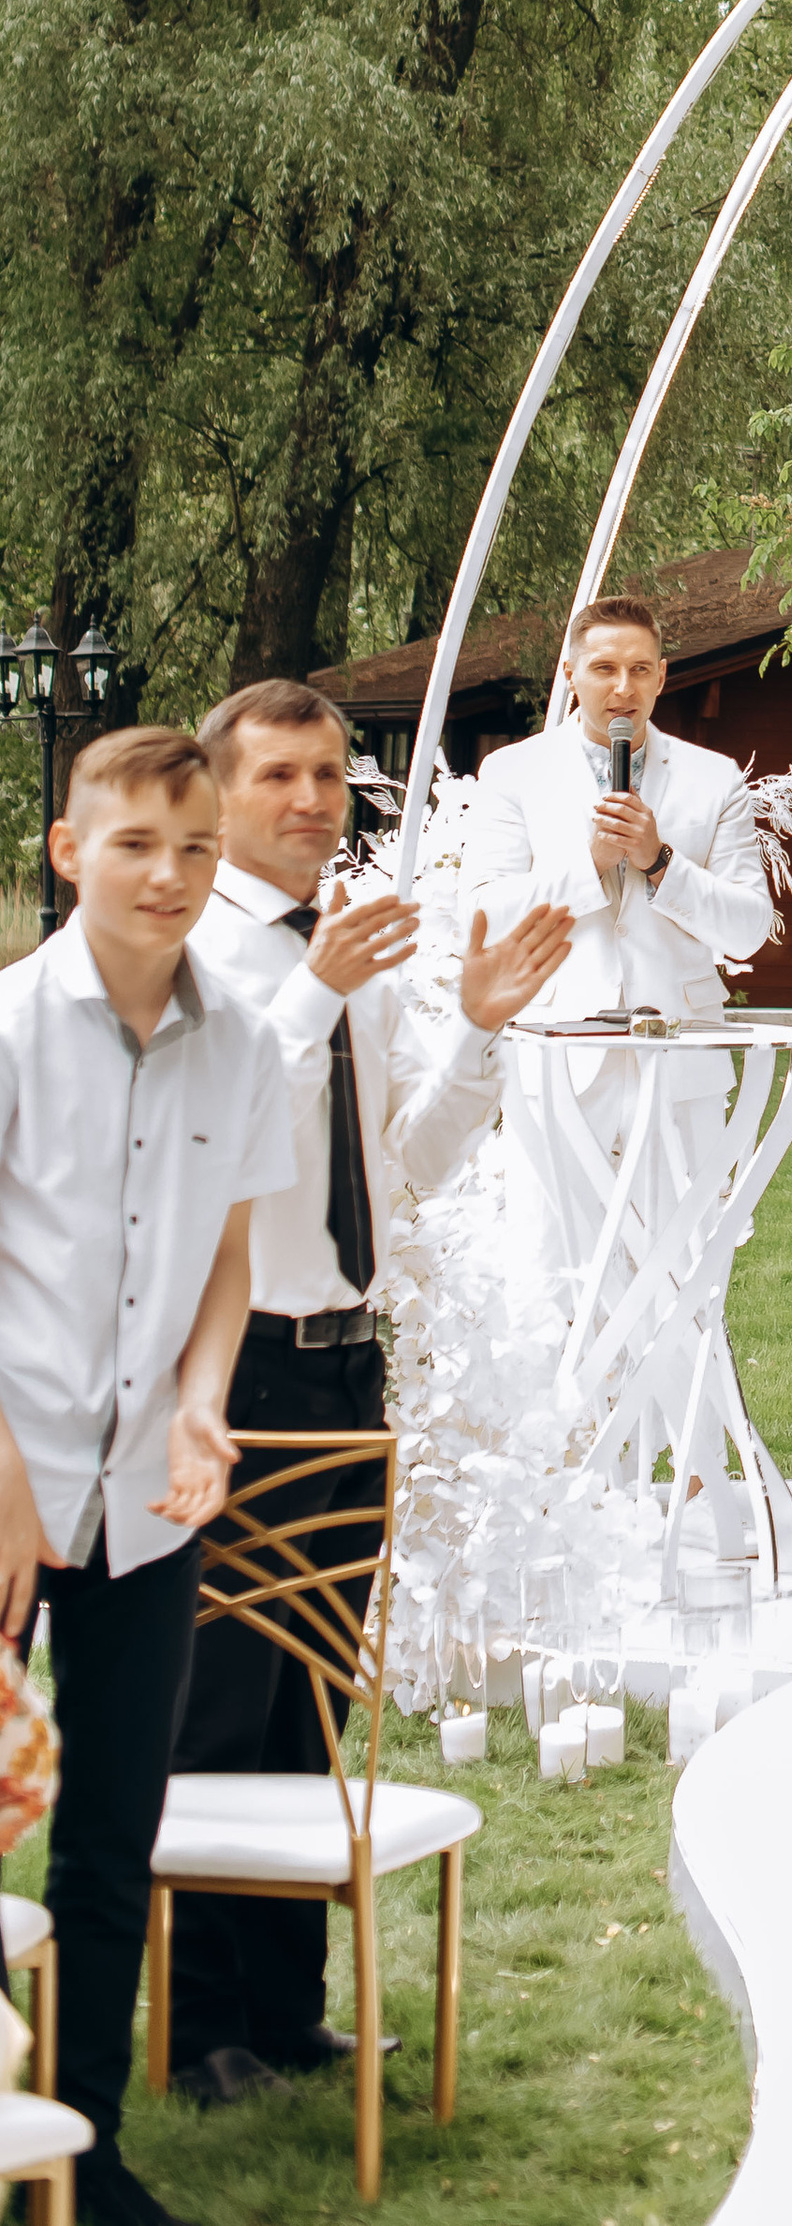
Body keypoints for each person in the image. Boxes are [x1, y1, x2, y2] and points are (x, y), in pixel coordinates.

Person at [162, 679, 573, 2110]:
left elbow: (406, 1165)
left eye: (331, 771)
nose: (314, 798)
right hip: (236, 1368)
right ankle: (195, 2024)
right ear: (214, 795)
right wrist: (319, 987)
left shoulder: (361, 954)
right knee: (215, 1706)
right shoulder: (193, 962)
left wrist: (475, 1027)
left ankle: (288, 2012)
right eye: (279, 773)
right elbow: (207, 1143)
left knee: (310, 1704)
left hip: (351, 1363)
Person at [0, 726, 296, 2226]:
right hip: (1, 1483)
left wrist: (201, 1405)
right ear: (71, 852)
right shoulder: (2, 1028)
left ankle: (81, 2149)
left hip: (145, 1501)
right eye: (136, 845)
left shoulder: (247, 1039)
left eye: (193, 847)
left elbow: (228, 1265)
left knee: (112, 1835)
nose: (170, 874)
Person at [457, 596, 774, 1287]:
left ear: (663, 677)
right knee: (553, 1272)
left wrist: (662, 863)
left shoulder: (713, 778)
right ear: (569, 673)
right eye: (603, 667)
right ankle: (558, 1398)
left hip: (680, 1058)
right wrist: (590, 864)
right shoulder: (514, 773)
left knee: (681, 1270)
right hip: (558, 1052)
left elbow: (750, 925)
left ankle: (675, 1397)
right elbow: (483, 916)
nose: (622, 687)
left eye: (638, 669)